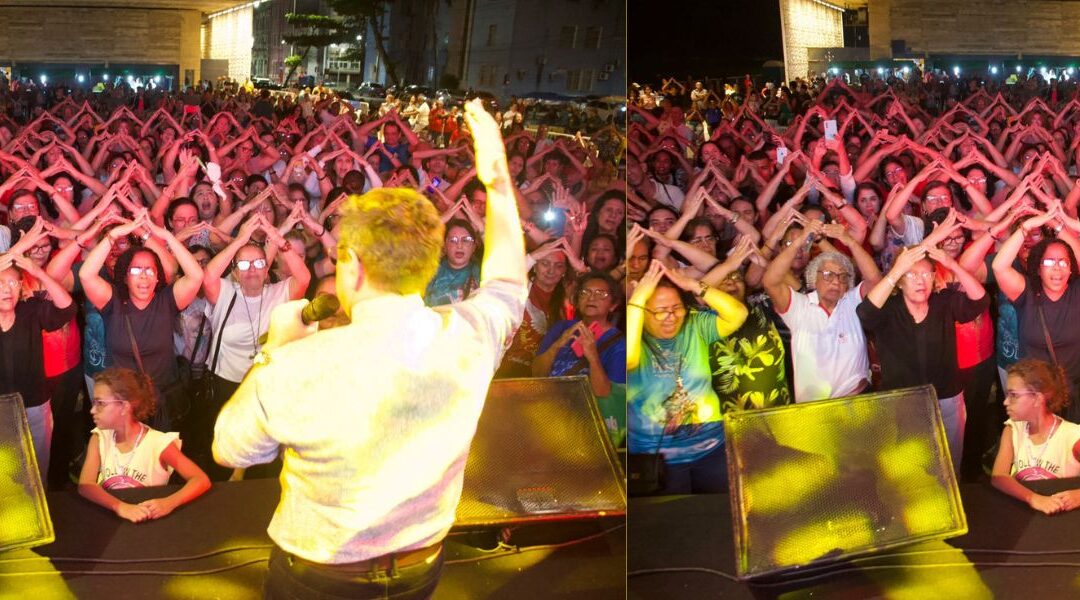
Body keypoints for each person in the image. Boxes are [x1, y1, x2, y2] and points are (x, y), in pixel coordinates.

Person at [212, 99, 527, 599]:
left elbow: (231, 448)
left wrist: (273, 351)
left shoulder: (297, 364)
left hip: (319, 579)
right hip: (421, 569)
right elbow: (509, 282)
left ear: (353, 265)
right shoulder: (471, 335)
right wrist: (498, 181)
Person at [858, 244, 989, 472]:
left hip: (947, 398)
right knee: (910, 468)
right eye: (911, 275)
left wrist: (952, 265)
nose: (921, 281)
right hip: (904, 402)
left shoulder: (943, 301)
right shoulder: (889, 308)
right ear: (900, 280)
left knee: (949, 465)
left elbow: (980, 300)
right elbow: (865, 314)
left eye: (927, 274)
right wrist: (896, 271)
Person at [627, 260, 748, 494]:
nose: (671, 317)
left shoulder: (695, 324)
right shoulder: (634, 334)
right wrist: (637, 299)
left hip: (712, 446)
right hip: (656, 457)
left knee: (720, 510)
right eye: (660, 311)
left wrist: (694, 285)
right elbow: (629, 360)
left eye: (676, 308)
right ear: (642, 311)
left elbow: (738, 314)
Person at [77, 367, 210, 522]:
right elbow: (85, 484)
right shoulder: (99, 437)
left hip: (148, 521)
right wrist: (120, 507)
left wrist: (169, 502)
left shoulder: (158, 444)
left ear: (124, 407)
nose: (92, 410)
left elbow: (200, 479)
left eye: (100, 403)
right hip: (109, 518)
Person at [991, 359, 1080, 514]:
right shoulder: (1013, 429)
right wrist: (1033, 498)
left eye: (1013, 395)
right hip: (1021, 512)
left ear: (1038, 398)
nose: (1005, 402)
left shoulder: (1072, 436)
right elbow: (998, 476)